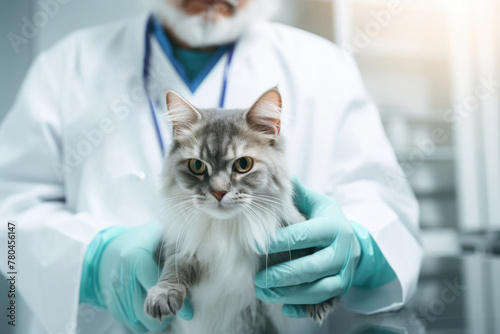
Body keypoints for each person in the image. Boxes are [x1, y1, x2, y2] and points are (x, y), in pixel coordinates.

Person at [0, 0, 423, 333]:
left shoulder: (324, 64)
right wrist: (91, 261)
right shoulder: (66, 65)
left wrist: (362, 247)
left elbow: (384, 200)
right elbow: (9, 220)